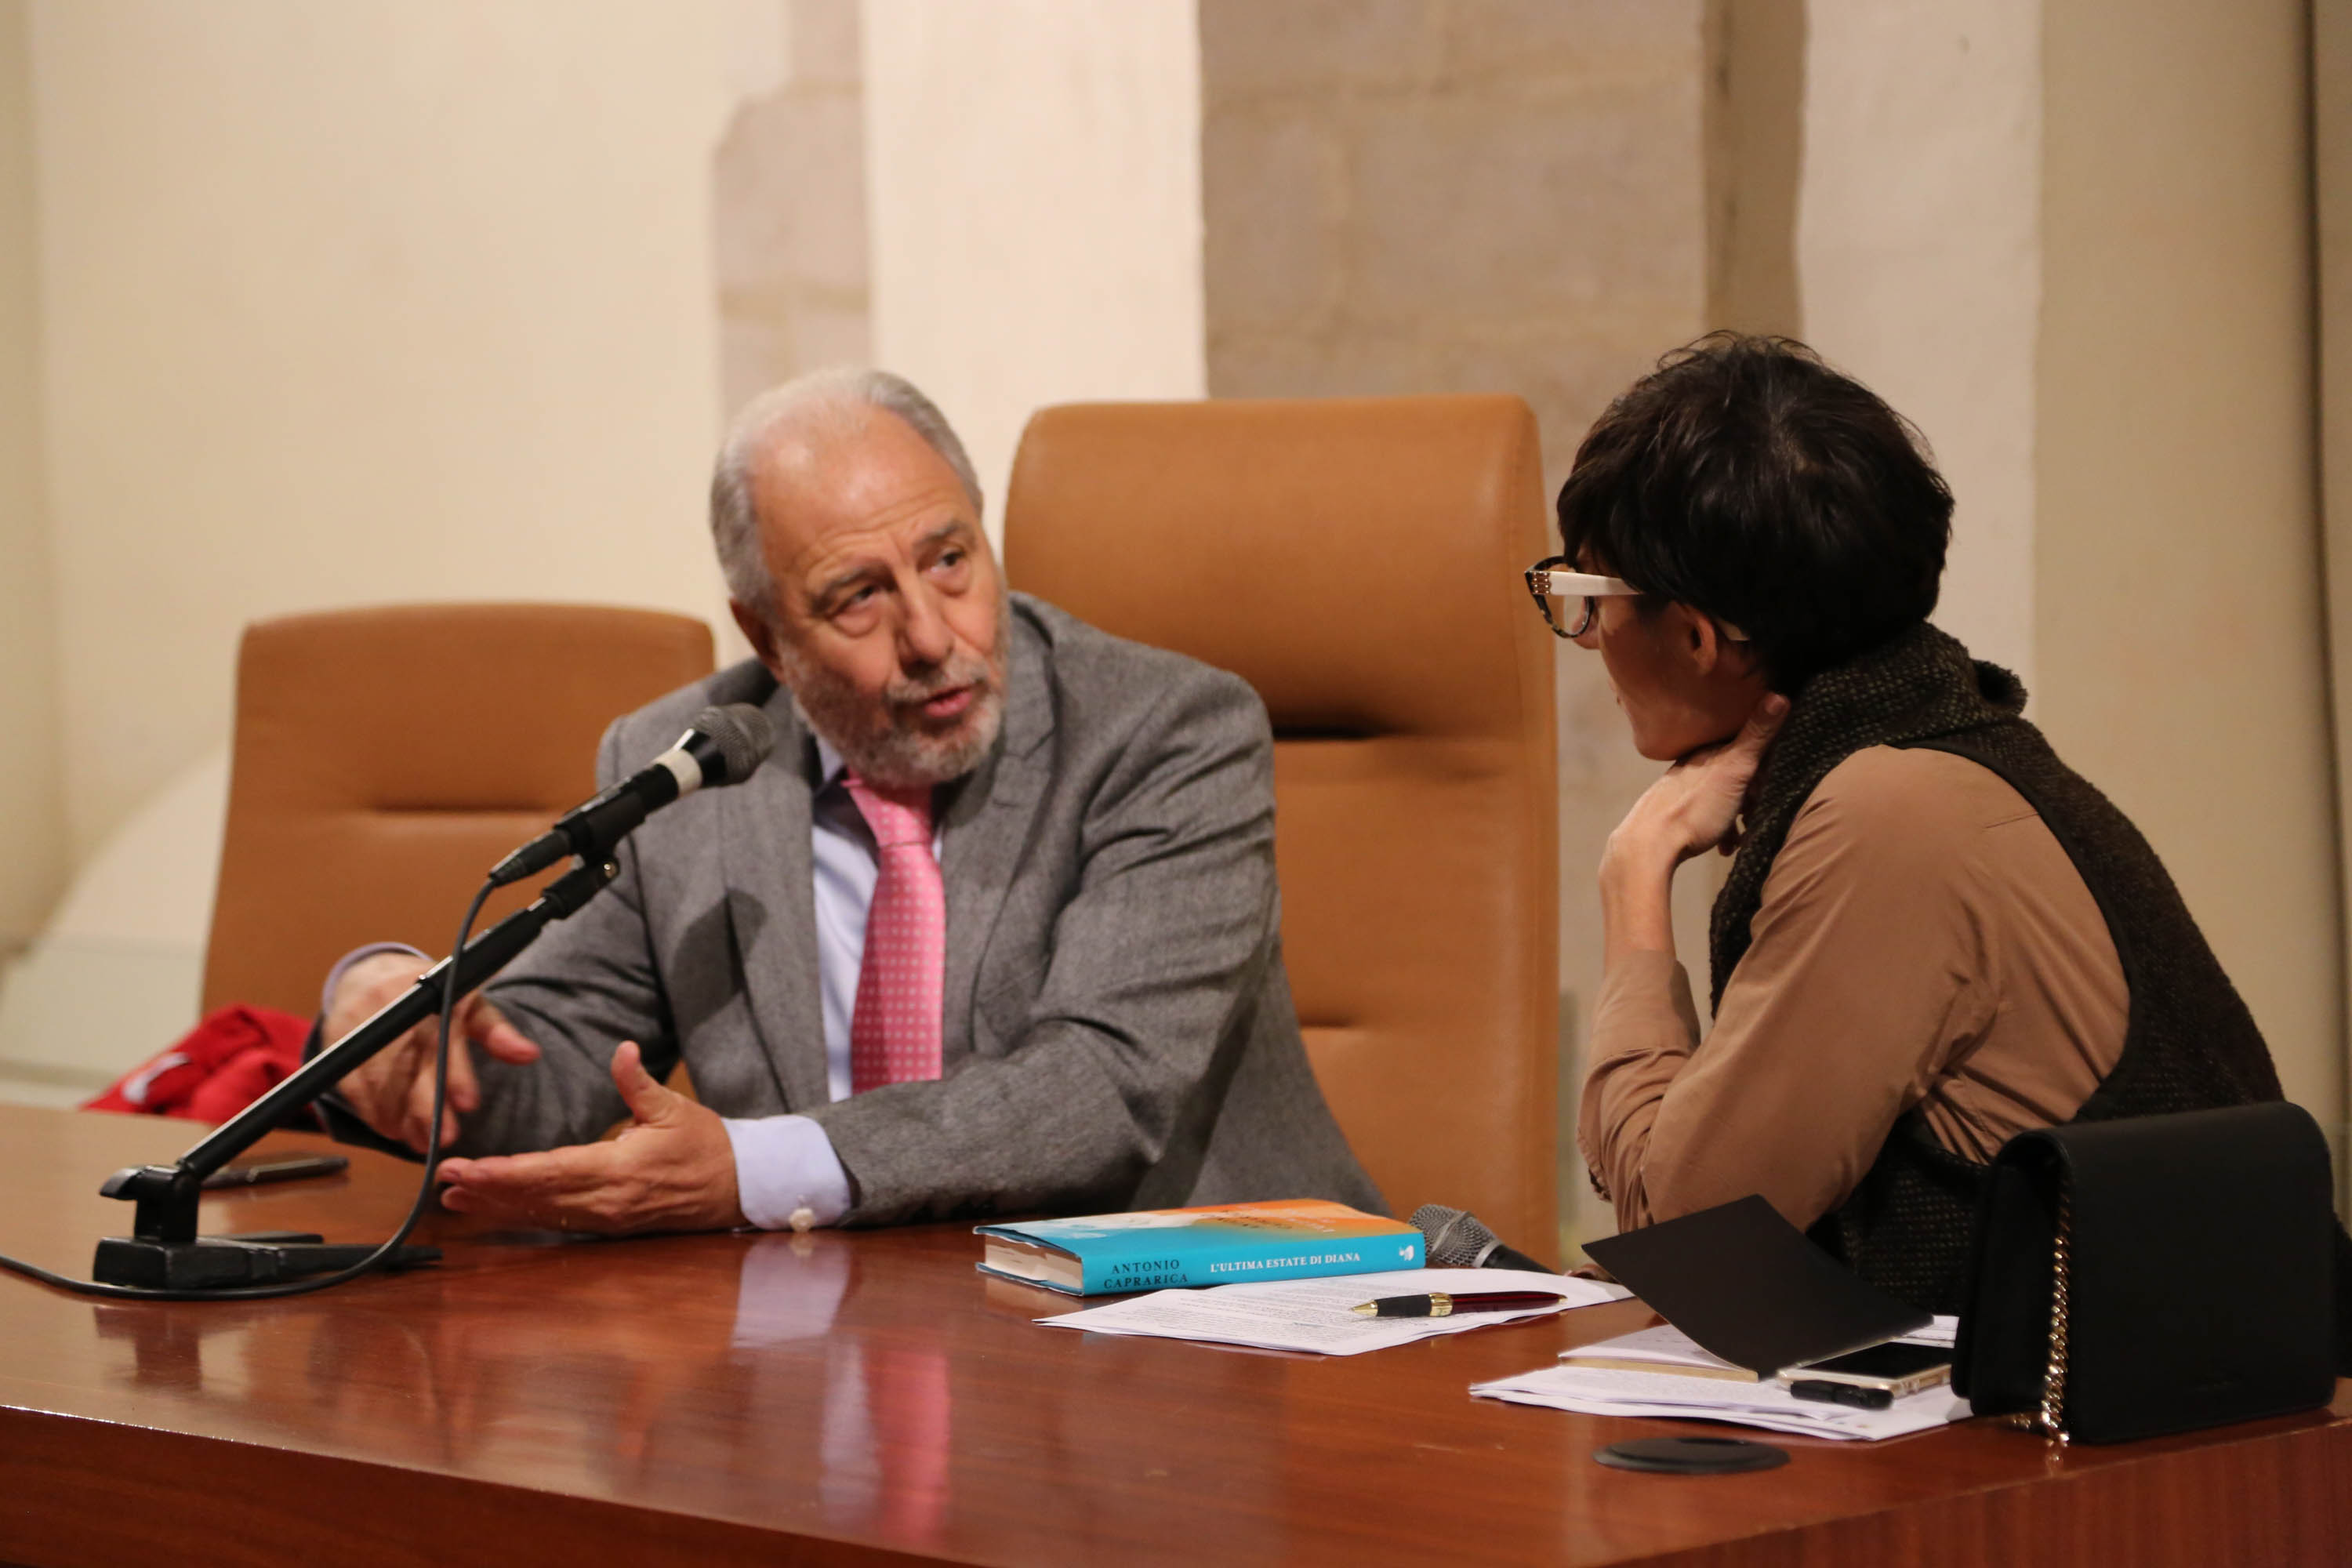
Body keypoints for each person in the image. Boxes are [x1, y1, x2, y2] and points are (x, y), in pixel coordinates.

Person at [318, 368, 1379, 1233]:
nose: (931, 635)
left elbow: (1100, 1089)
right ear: (766, 634)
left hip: (1191, 1327)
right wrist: (406, 1035)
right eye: (858, 596)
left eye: (950, 560)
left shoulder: (1165, 731)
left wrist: (752, 1169)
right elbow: (554, 1073)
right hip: (835, 1335)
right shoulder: (680, 765)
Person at [1551, 334, 2281, 1311]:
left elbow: (1693, 1241)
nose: (1586, 639)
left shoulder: (1888, 815)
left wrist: (1635, 877)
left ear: (1694, 635)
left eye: (1587, 600)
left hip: (2143, 1407)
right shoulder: (1944, 753)